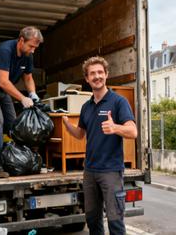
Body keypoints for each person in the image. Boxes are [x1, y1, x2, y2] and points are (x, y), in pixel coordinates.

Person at [61, 56, 137, 235]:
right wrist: (66, 124)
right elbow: (80, 135)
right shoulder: (86, 107)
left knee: (115, 221)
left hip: (110, 171)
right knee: (92, 221)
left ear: (106, 74)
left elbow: (133, 131)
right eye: (92, 73)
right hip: (90, 171)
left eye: (100, 72)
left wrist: (115, 127)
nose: (97, 76)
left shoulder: (118, 102)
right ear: (87, 79)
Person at [0, 26, 42, 148]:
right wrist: (23, 98)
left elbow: (28, 78)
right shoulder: (5, 50)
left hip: (5, 89)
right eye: (31, 46)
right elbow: (3, 82)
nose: (33, 51)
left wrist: (33, 94)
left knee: (12, 122)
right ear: (21, 40)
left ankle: (15, 154)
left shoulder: (28, 55)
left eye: (35, 48)